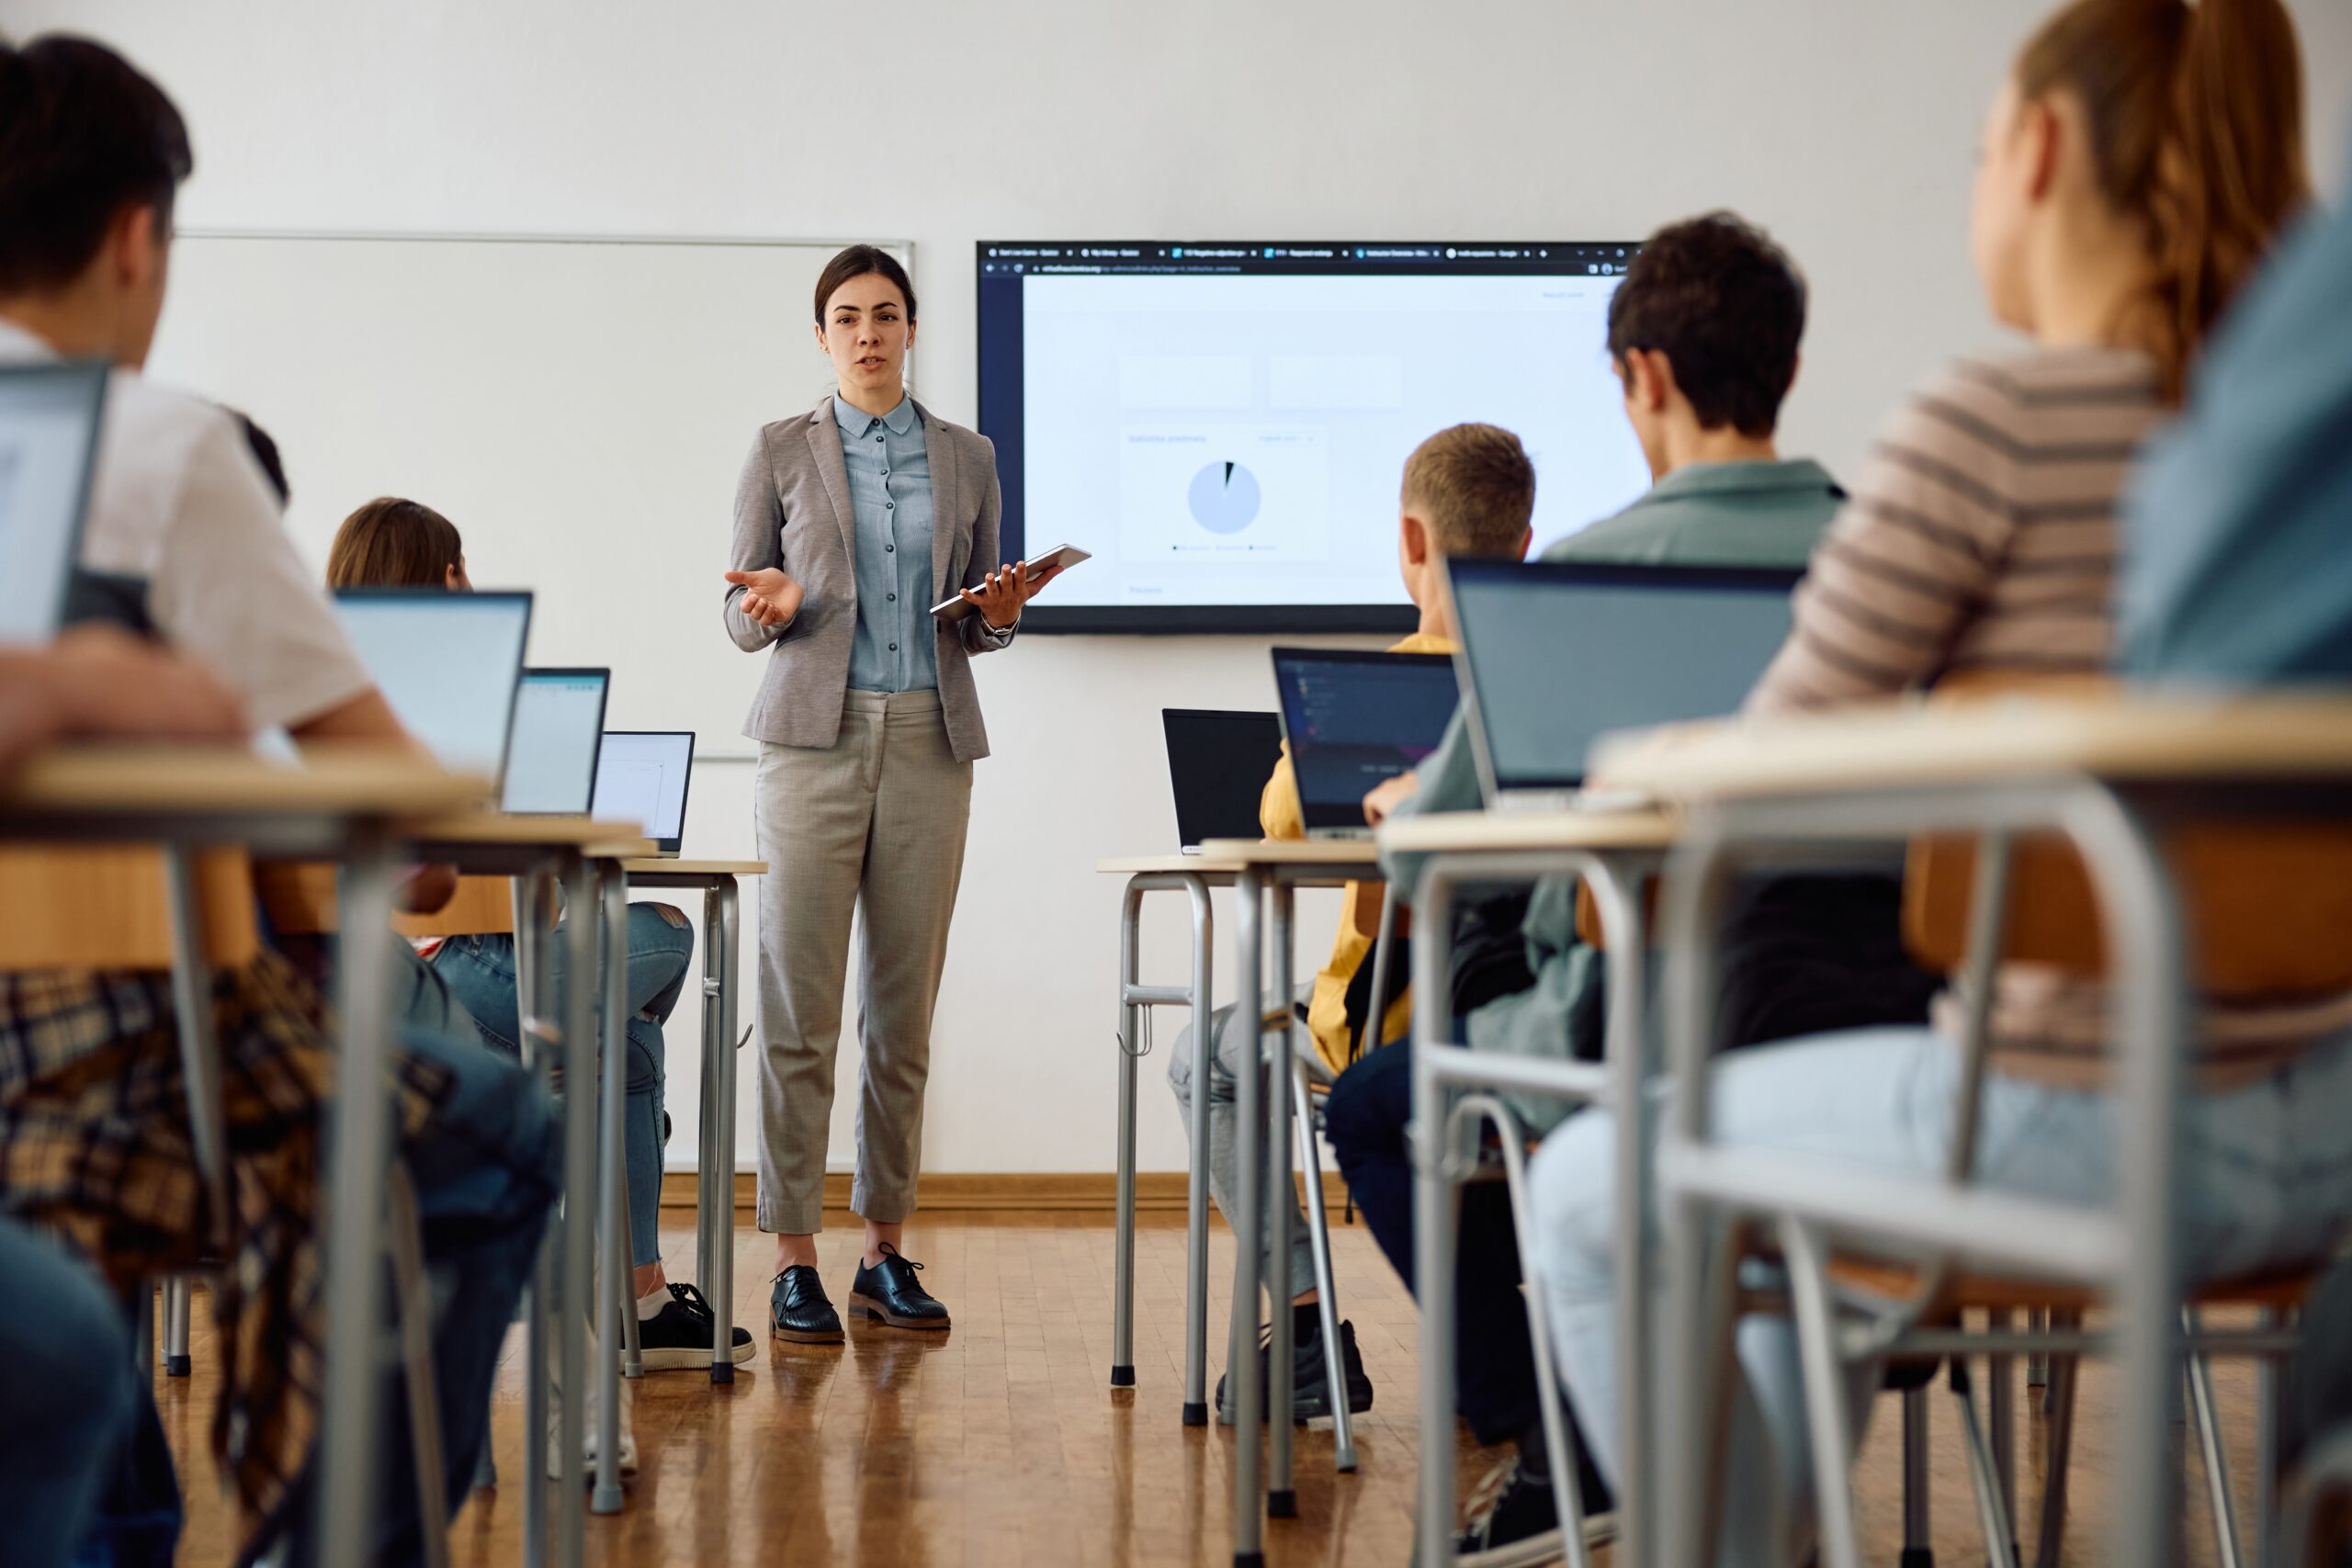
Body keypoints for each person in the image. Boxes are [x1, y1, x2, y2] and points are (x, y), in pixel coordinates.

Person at [1528, 3, 2323, 1563]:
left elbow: (1762, 775)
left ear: (2033, 154)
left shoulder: (1995, 423)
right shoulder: (2304, 447)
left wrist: (1666, 778)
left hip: (2087, 1112)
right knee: (1772, 1243)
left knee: (1585, 1187)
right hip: (2332, 1114)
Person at [0, 35, 560, 1562]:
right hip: (116, 1061)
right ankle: (334, 1544)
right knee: (503, 1129)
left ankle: (127, 1510)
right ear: (135, 237)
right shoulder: (166, 446)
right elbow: (389, 795)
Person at [1331, 211, 1857, 1562]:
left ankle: (1554, 1431)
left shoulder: (1587, 579)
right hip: (1863, 1034)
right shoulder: (1878, 558)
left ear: (1644, 379)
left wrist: (1409, 808)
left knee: (1383, 1100)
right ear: (1782, 368)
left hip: (1650, 1029)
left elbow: (1438, 839)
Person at [326, 494, 752, 1372]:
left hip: (365, 988)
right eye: (463, 567)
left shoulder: (322, 712)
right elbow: (536, 882)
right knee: (670, 928)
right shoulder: (472, 710)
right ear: (447, 580)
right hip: (468, 984)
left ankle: (640, 1295)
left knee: (624, 1043)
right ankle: (635, 1300)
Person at [722, 245, 1061, 1343]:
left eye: (885, 314)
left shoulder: (967, 456)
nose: (867, 332)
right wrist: (764, 609)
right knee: (798, 1013)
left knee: (901, 1014)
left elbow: (984, 619)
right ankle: (790, 1258)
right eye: (846, 317)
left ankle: (884, 1252)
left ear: (912, 330)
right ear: (821, 336)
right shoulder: (779, 449)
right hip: (809, 745)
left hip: (928, 738)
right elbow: (737, 611)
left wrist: (1002, 607)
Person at [1166, 422, 1535, 1423]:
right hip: (1547, 1023)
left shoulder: (1383, 683)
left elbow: (1282, 821)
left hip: (1388, 1026)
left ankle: (1300, 1326)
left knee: (1203, 1054)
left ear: (1411, 543)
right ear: (1526, 541)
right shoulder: (1556, 681)